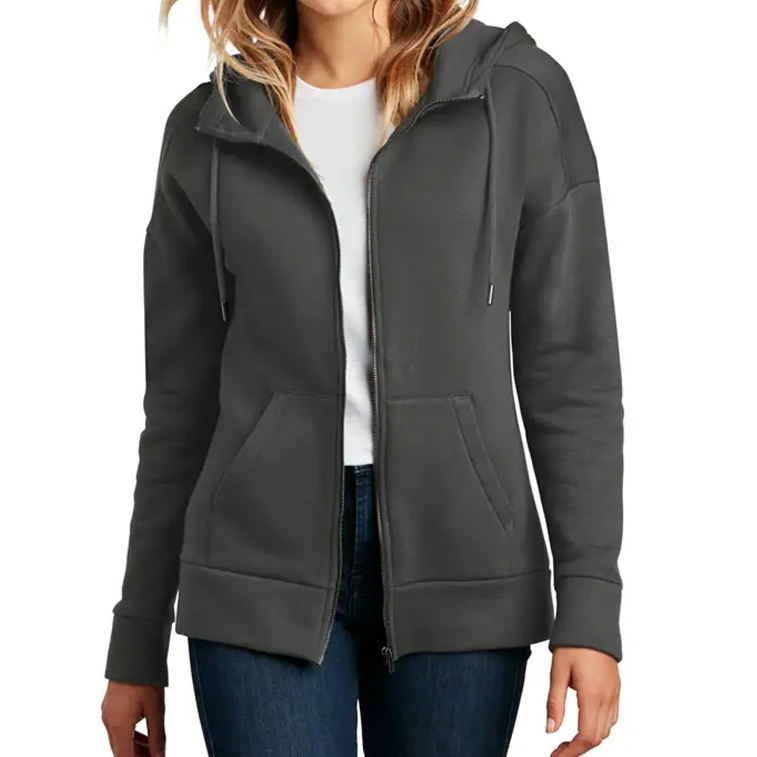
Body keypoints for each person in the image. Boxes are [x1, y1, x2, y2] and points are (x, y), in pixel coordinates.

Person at [101, 2, 623, 755]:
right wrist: (137, 634)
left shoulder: (511, 94)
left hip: (464, 562)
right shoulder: (209, 129)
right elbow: (180, 407)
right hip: (254, 570)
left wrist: (590, 604)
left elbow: (571, 366)